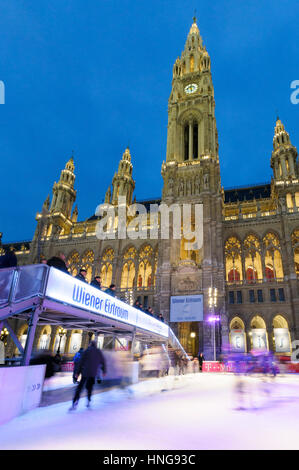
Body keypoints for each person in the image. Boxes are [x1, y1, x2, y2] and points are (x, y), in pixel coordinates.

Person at [69, 341, 106, 410]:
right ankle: (88, 400)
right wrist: (104, 371)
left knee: (80, 388)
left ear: (90, 345)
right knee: (89, 387)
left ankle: (75, 402)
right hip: (93, 373)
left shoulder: (87, 351)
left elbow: (81, 362)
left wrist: (77, 372)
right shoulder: (98, 352)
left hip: (85, 372)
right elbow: (103, 361)